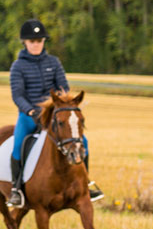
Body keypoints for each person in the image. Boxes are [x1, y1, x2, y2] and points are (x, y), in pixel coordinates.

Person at [7, 19, 104, 207]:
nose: (36, 44)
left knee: (82, 141)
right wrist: (32, 110)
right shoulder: (18, 67)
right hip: (29, 115)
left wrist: (58, 108)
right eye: (32, 41)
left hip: (55, 115)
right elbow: (17, 95)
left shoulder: (54, 62)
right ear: (25, 43)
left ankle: (86, 183)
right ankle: (16, 189)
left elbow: (63, 88)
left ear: (44, 42)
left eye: (39, 41)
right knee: (19, 145)